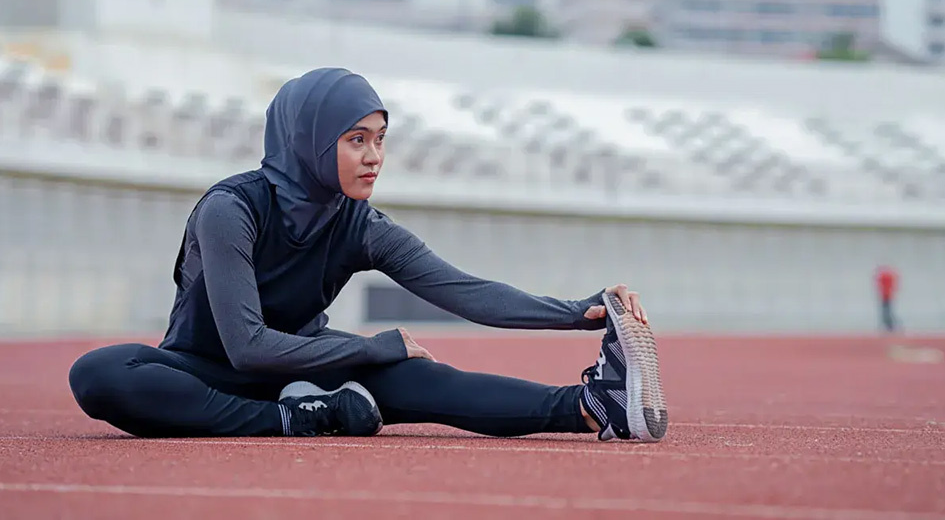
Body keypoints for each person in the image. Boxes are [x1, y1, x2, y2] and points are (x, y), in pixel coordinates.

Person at [68, 68, 668, 443]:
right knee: (99, 373)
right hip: (206, 376)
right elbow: (246, 347)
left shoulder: (361, 225)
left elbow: (463, 290)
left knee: (426, 380)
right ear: (308, 140)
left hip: (312, 373)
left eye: (380, 139)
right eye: (356, 140)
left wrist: (580, 310)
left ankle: (593, 407)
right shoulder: (231, 209)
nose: (374, 155)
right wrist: (373, 347)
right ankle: (298, 419)